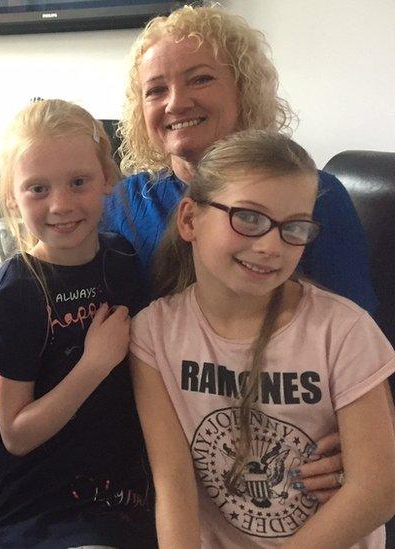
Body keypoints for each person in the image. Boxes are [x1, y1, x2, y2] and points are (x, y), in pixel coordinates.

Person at [0, 4, 365, 502]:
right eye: (156, 89)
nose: (176, 102)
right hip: (149, 456)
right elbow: (55, 259)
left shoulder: (312, 197)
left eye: (200, 79)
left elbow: (366, 351)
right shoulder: (121, 201)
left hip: (282, 454)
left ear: (242, 90)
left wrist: (361, 446)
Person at [130, 130, 395, 548]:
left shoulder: (345, 331)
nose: (271, 245)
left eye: (295, 227)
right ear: (189, 220)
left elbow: (377, 491)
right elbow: (174, 485)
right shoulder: (153, 334)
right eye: (248, 218)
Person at [0, 99, 154, 548]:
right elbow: (16, 433)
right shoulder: (20, 287)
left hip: (123, 489)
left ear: (107, 181)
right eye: (38, 188)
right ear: (13, 200)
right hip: (46, 500)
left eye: (79, 182)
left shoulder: (122, 258)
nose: (60, 205)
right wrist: (93, 365)